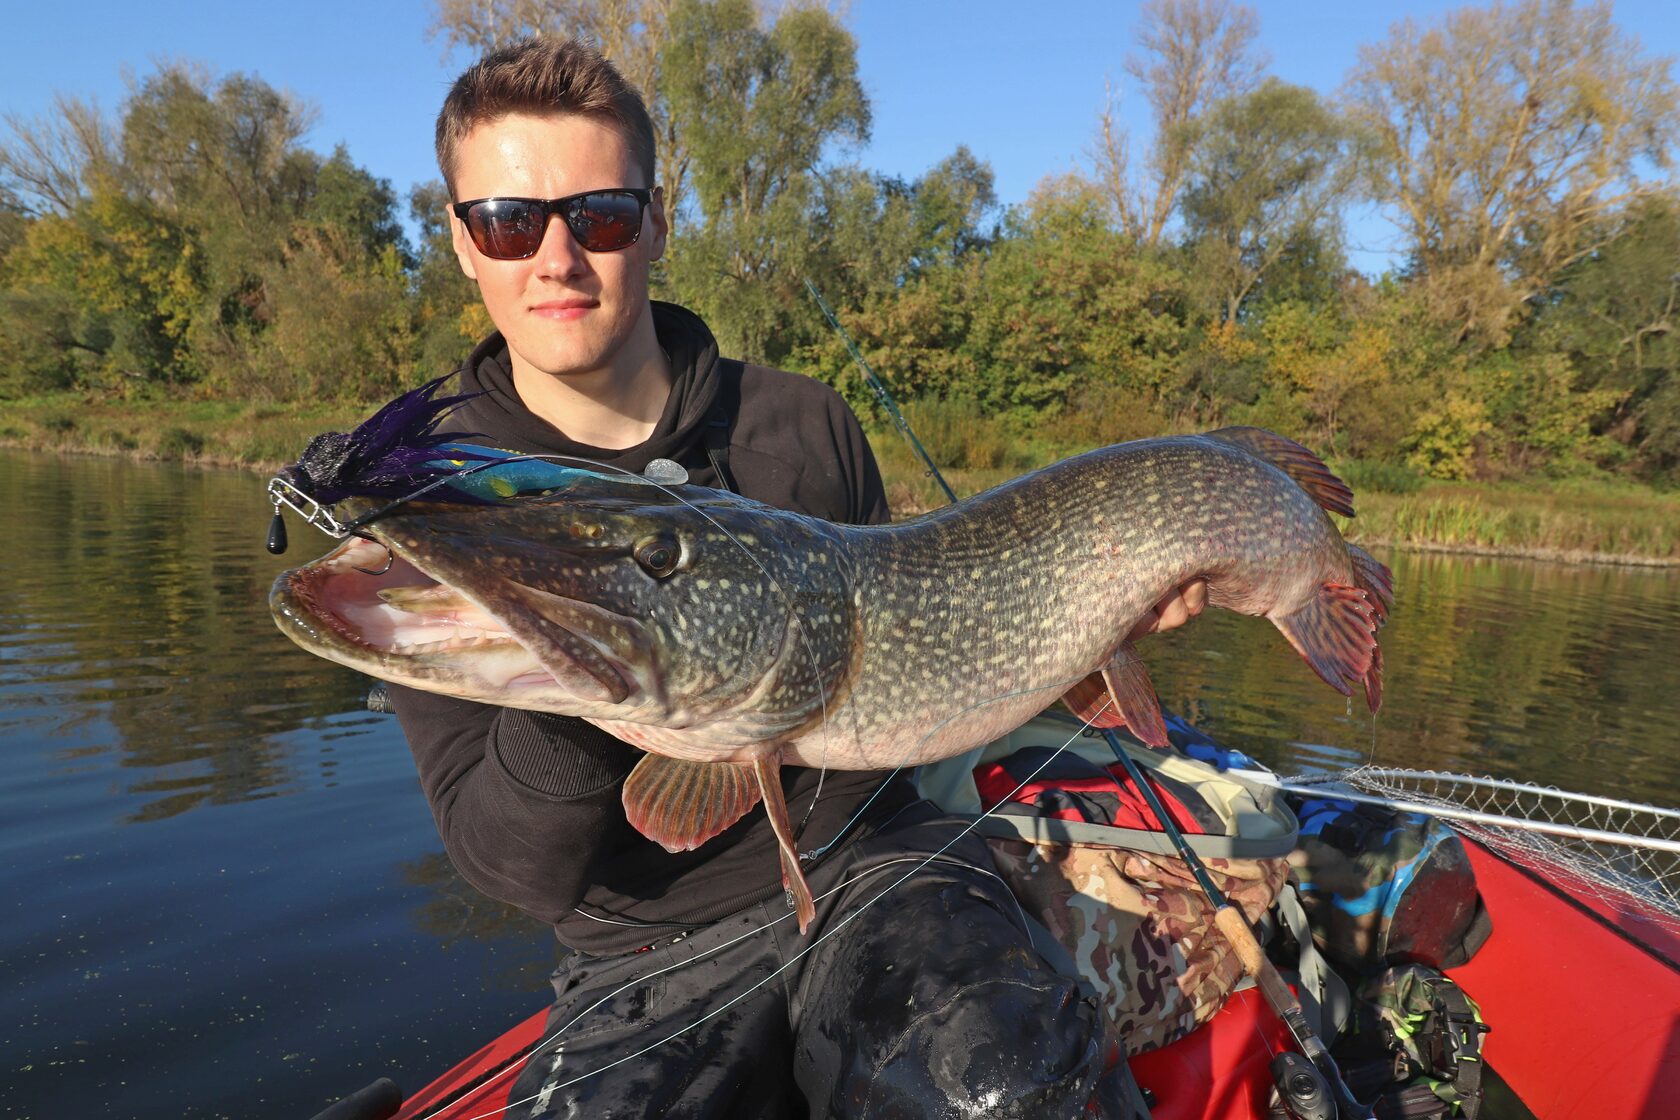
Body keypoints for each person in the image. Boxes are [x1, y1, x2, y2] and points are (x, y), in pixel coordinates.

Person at [387, 36, 1206, 1119]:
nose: (556, 258)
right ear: (460, 240)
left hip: (874, 869)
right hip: (639, 952)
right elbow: (514, 869)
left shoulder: (800, 423)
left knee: (1009, 1083)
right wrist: (595, 654)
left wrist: (1098, 618)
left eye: (600, 216)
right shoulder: (440, 512)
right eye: (507, 221)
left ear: (655, 219)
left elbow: (942, 657)